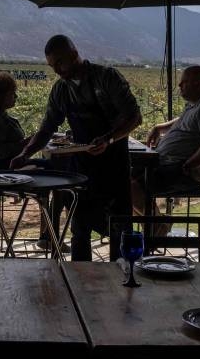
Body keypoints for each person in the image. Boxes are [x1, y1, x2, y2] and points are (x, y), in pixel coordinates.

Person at [11, 35, 142, 261]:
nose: (57, 71)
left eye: (60, 63)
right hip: (82, 169)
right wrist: (25, 154)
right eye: (52, 66)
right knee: (80, 229)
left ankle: (120, 277)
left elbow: (134, 117)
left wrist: (109, 139)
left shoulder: (107, 78)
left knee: (119, 229)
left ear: (74, 55)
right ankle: (80, 276)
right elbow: (47, 128)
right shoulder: (61, 90)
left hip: (114, 165)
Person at [130, 66, 200, 218]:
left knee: (129, 186)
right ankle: (156, 225)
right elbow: (182, 121)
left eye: (184, 82)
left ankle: (158, 226)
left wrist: (189, 165)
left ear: (197, 84)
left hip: (181, 172)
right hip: (166, 165)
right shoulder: (196, 106)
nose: (179, 85)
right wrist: (159, 127)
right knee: (122, 178)